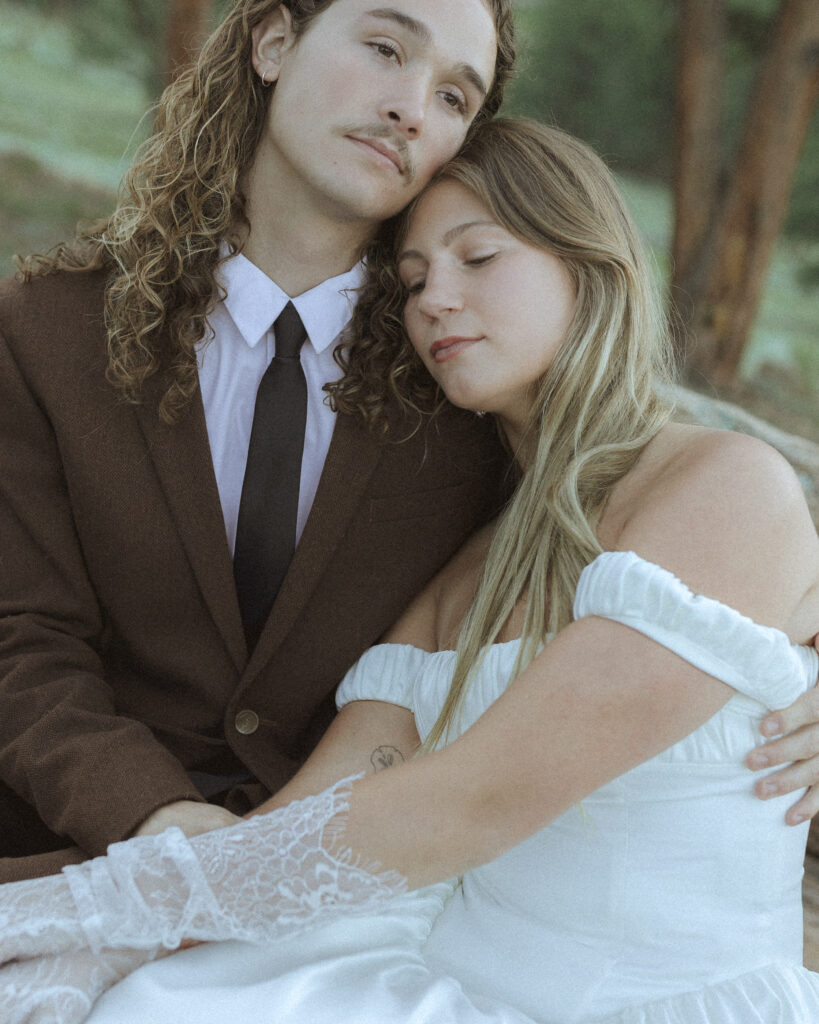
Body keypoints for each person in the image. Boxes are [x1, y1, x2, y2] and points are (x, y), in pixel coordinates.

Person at [2, 117, 819, 1024]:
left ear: (590, 265)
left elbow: (479, 800)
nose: (434, 300)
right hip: (445, 975)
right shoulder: (472, 559)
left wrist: (73, 909)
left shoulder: (721, 485)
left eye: (478, 258)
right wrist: (101, 946)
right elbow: (312, 816)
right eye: (415, 280)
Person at [0, 0, 516, 881]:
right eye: (386, 48)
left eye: (454, 98)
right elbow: (20, 636)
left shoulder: (470, 378)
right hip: (68, 843)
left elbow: (640, 496)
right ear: (273, 42)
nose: (410, 108)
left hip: (339, 879)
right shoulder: (47, 331)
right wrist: (153, 814)